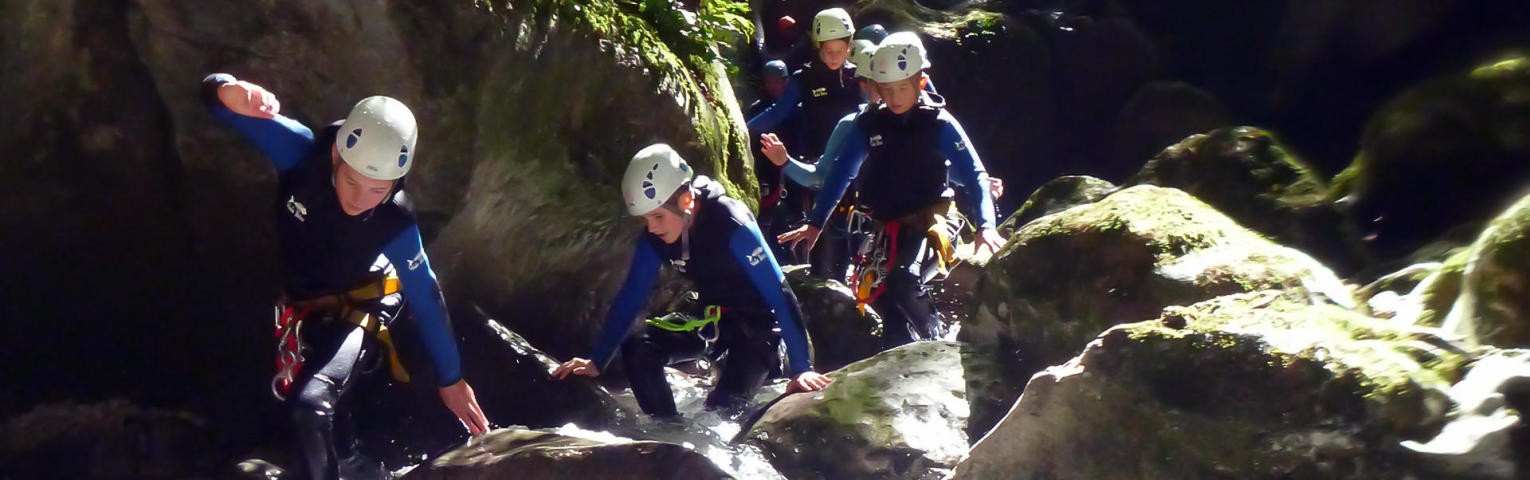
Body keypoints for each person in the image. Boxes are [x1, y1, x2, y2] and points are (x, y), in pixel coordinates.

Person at [202, 73, 490, 479]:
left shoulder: (395, 221)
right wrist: (228, 89)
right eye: (352, 181)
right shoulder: (302, 154)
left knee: (309, 406)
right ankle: (359, 467)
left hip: (366, 302)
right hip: (305, 302)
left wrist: (451, 378)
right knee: (322, 422)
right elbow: (213, 99)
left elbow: (425, 292)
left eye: (377, 190)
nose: (359, 199)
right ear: (337, 156)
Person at [551, 144, 831, 420]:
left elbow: (780, 294)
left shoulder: (731, 223)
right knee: (638, 350)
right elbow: (631, 297)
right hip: (712, 320)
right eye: (645, 219)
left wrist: (801, 367)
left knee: (720, 414)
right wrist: (597, 361)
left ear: (686, 201)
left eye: (658, 216)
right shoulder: (656, 237)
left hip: (759, 331)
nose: (652, 228)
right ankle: (669, 434)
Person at [779, 32, 1006, 348]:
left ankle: (942, 344)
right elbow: (841, 174)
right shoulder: (870, 124)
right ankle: (909, 357)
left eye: (903, 88)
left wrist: (986, 226)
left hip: (934, 221)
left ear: (921, 83)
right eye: (887, 90)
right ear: (876, 88)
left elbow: (975, 174)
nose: (895, 97)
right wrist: (816, 222)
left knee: (903, 279)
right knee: (891, 317)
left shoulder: (939, 123)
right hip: (888, 229)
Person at [746, 8, 863, 280]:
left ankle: (854, 295)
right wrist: (744, 129)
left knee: (855, 237)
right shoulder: (803, 78)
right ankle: (824, 289)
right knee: (822, 238)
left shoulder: (861, 78)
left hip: (856, 168)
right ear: (818, 47)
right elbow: (777, 113)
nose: (834, 56)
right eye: (828, 50)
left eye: (840, 49)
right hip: (815, 166)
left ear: (849, 45)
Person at [749, 60, 806, 265]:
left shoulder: (798, 110)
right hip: (767, 173)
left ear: (787, 82)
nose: (775, 86)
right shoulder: (758, 111)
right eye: (770, 82)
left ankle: (798, 259)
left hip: (794, 169)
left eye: (779, 81)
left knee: (796, 215)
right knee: (768, 218)